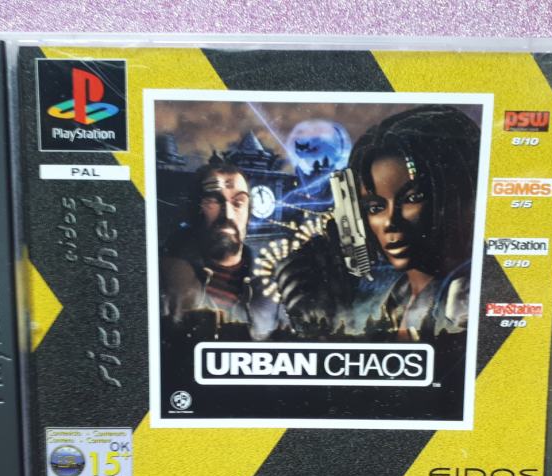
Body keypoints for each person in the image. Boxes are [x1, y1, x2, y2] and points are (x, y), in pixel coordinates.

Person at [278, 105, 480, 344]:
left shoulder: (464, 299)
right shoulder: (388, 296)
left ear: (455, 194)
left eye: (413, 198)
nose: (390, 222)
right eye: (375, 207)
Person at [160, 162, 283, 339]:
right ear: (196, 210)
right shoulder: (163, 279)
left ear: (249, 214)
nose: (228, 215)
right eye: (213, 201)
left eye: (238, 203)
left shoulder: (273, 288)